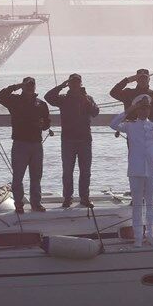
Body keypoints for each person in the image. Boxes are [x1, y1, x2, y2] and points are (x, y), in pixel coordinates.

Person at [110, 95, 153, 247]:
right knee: (137, 205)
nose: (144, 110)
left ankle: (150, 235)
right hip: (136, 169)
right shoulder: (130, 126)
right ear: (137, 109)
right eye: (141, 108)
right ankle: (138, 237)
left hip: (152, 170)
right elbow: (113, 124)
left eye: (147, 107)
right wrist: (130, 109)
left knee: (150, 205)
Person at [0, 76, 50, 213]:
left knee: (36, 177)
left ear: (35, 87)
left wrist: (43, 124)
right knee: (18, 177)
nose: (30, 87)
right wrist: (17, 86)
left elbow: (47, 124)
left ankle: (36, 203)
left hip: (36, 144)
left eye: (32, 85)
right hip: (20, 143)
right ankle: (19, 204)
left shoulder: (41, 104)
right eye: (27, 85)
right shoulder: (14, 100)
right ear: (23, 87)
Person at [44, 73, 100, 208]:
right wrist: (61, 86)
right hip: (68, 140)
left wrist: (86, 100)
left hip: (85, 140)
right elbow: (48, 97)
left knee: (85, 171)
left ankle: (84, 198)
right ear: (69, 84)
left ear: (81, 83)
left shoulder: (88, 98)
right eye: (72, 82)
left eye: (77, 82)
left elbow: (95, 112)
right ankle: (68, 198)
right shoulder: (63, 99)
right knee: (67, 171)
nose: (75, 84)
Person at [110, 68, 153, 133]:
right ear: (136, 80)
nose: (143, 80)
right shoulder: (128, 93)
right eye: (140, 78)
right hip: (132, 130)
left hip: (150, 131)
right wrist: (127, 80)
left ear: (149, 79)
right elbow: (113, 92)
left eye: (145, 78)